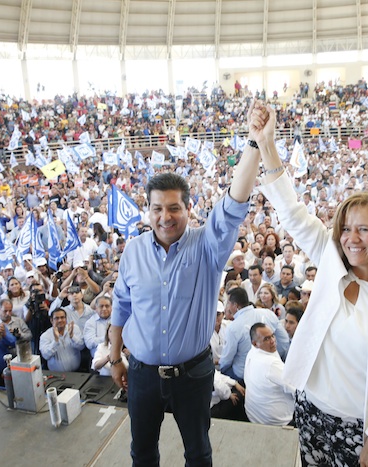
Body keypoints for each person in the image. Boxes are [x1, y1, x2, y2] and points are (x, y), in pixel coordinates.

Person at [256, 104, 368, 466]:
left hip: (361, 429)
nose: (352, 239)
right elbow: (292, 211)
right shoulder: (333, 259)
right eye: (347, 228)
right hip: (311, 412)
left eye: (364, 229)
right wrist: (267, 143)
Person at [109, 102, 263, 467]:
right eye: (157, 208)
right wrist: (115, 357)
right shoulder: (132, 252)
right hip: (143, 374)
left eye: (174, 208)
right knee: (142, 453)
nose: (166, 217)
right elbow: (121, 306)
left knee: (198, 454)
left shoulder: (207, 246)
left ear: (188, 210)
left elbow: (233, 204)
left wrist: (254, 144)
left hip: (193, 375)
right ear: (148, 211)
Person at [219, 287, 289, 382]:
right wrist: (275, 358)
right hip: (270, 370)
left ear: (235, 305)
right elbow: (284, 341)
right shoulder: (268, 314)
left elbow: (226, 359)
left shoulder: (233, 328)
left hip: (243, 375)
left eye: (228, 303)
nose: (227, 306)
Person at [243, 323, 295, 426]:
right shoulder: (271, 364)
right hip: (275, 421)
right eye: (266, 339)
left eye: (272, 336)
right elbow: (297, 390)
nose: (273, 341)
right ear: (255, 343)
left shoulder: (252, 352)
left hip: (254, 414)